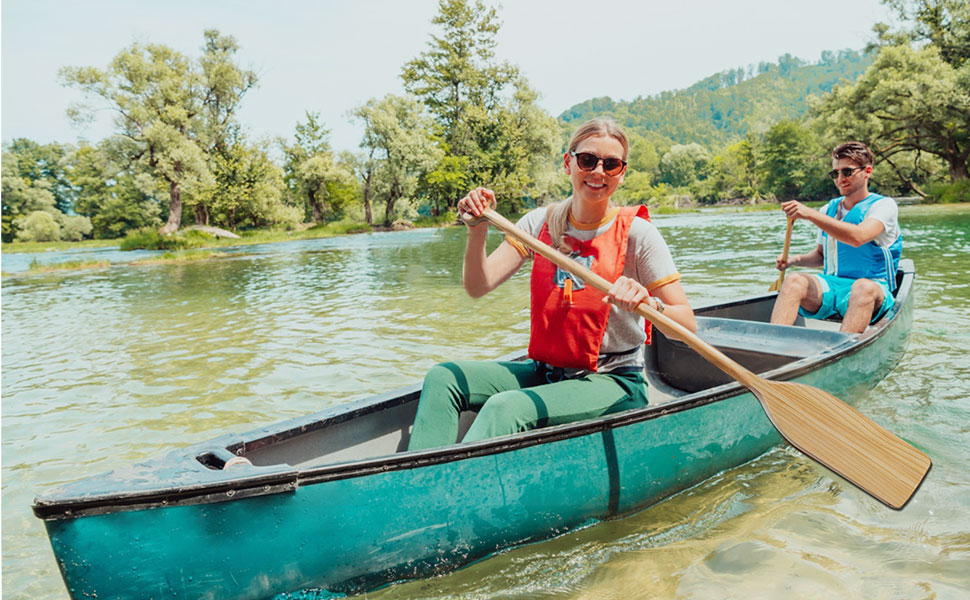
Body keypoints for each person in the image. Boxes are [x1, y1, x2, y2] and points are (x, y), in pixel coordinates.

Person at [407, 117, 696, 451]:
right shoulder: (538, 223)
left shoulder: (638, 235)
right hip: (547, 372)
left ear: (622, 172)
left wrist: (650, 304)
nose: (598, 172)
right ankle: (414, 481)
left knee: (508, 407)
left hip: (613, 380)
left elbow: (686, 325)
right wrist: (477, 229)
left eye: (611, 164)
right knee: (445, 378)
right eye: (588, 160)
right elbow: (477, 286)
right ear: (567, 162)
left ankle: (441, 489)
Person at [770, 141, 902, 334]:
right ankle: (772, 349)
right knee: (794, 280)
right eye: (835, 173)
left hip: (873, 291)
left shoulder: (884, 206)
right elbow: (821, 256)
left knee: (862, 287)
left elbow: (858, 237)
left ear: (867, 172)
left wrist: (810, 214)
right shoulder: (828, 210)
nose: (840, 178)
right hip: (834, 288)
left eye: (847, 172)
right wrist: (793, 260)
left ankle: (841, 353)